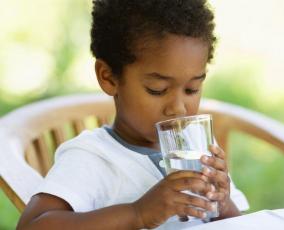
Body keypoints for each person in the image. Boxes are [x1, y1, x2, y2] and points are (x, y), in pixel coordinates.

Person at [17, 0, 249, 229]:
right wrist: (136, 214)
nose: (178, 108)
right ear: (109, 77)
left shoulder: (196, 149)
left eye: (192, 89)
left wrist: (223, 203)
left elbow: (241, 225)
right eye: (157, 90)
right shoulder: (92, 158)